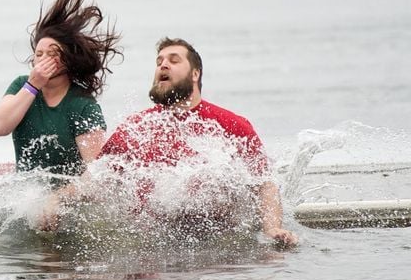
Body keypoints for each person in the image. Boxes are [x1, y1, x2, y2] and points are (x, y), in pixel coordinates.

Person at [47, 37, 297, 244]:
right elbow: (97, 179)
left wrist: (271, 228)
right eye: (159, 61)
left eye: (173, 60)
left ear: (196, 73)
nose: (162, 65)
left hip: (217, 245)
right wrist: (58, 198)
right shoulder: (136, 129)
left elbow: (264, 183)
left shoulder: (231, 125)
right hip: (151, 247)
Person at [0, 0, 121, 178]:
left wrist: (59, 199)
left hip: (67, 199)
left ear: (69, 60)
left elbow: (96, 173)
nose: (43, 59)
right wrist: (32, 86)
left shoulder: (83, 105)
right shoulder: (21, 85)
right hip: (27, 193)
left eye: (52, 54)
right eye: (38, 54)